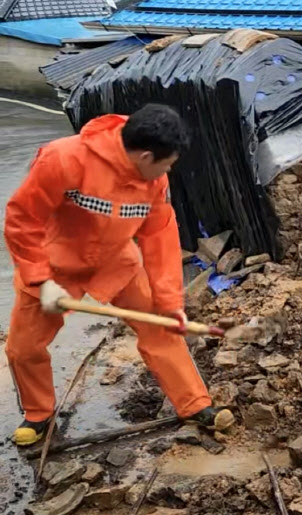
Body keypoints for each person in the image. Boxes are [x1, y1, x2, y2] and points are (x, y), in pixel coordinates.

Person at [4, 104, 221, 446]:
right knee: (23, 347)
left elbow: (159, 237)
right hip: (56, 264)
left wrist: (169, 300)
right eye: (167, 163)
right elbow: (22, 221)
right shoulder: (63, 159)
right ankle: (38, 414)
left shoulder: (154, 181)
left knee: (161, 326)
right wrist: (38, 279)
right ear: (145, 156)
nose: (169, 171)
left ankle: (195, 404)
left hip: (115, 262)